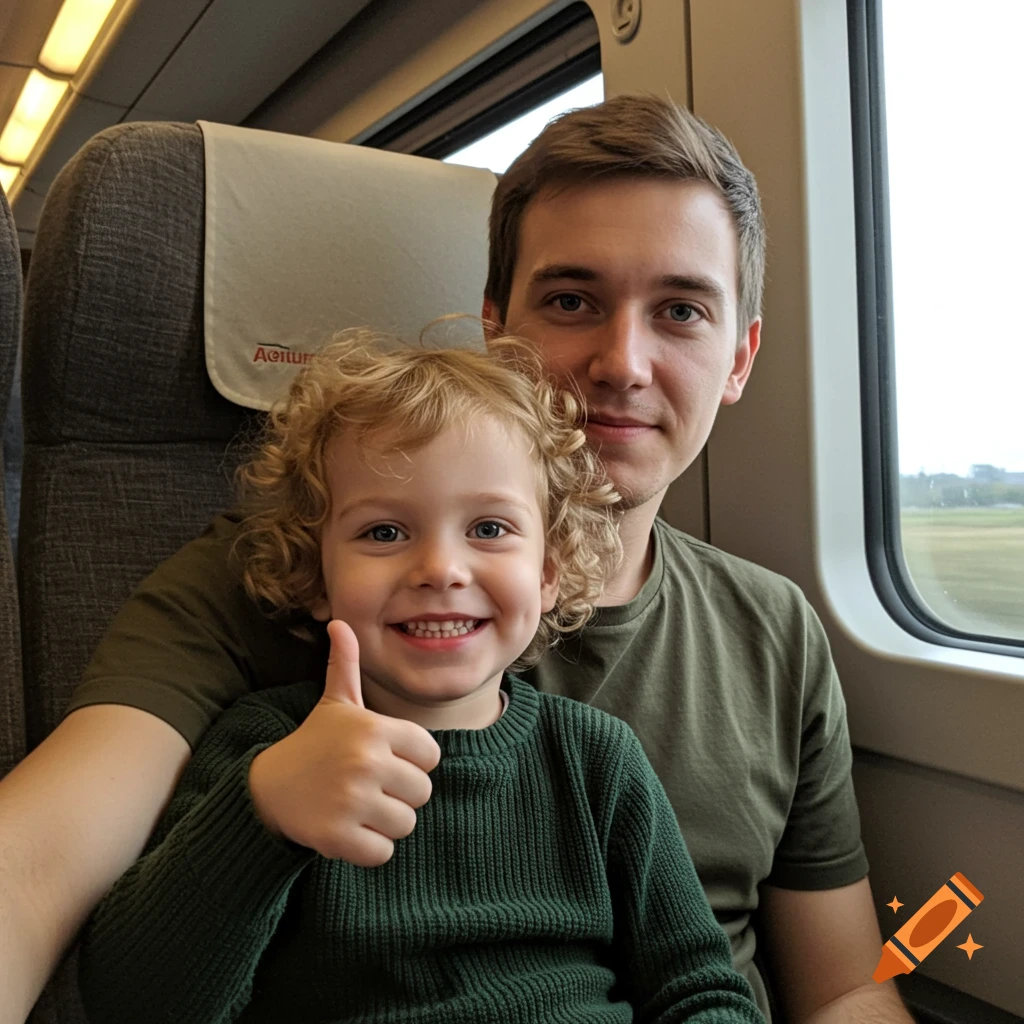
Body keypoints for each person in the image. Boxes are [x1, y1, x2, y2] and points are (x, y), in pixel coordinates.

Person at [0, 95, 912, 1024]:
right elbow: (31, 872)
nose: (623, 362)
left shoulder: (775, 629)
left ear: (739, 358)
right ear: (494, 327)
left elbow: (843, 986)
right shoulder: (279, 569)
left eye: (680, 310)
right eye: (571, 301)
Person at [76, 334, 765, 1024]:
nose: (440, 568)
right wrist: (263, 818)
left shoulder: (595, 762)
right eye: (383, 533)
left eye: (490, 528)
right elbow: (134, 1002)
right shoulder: (268, 751)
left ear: (549, 570)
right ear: (317, 576)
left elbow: (698, 991)